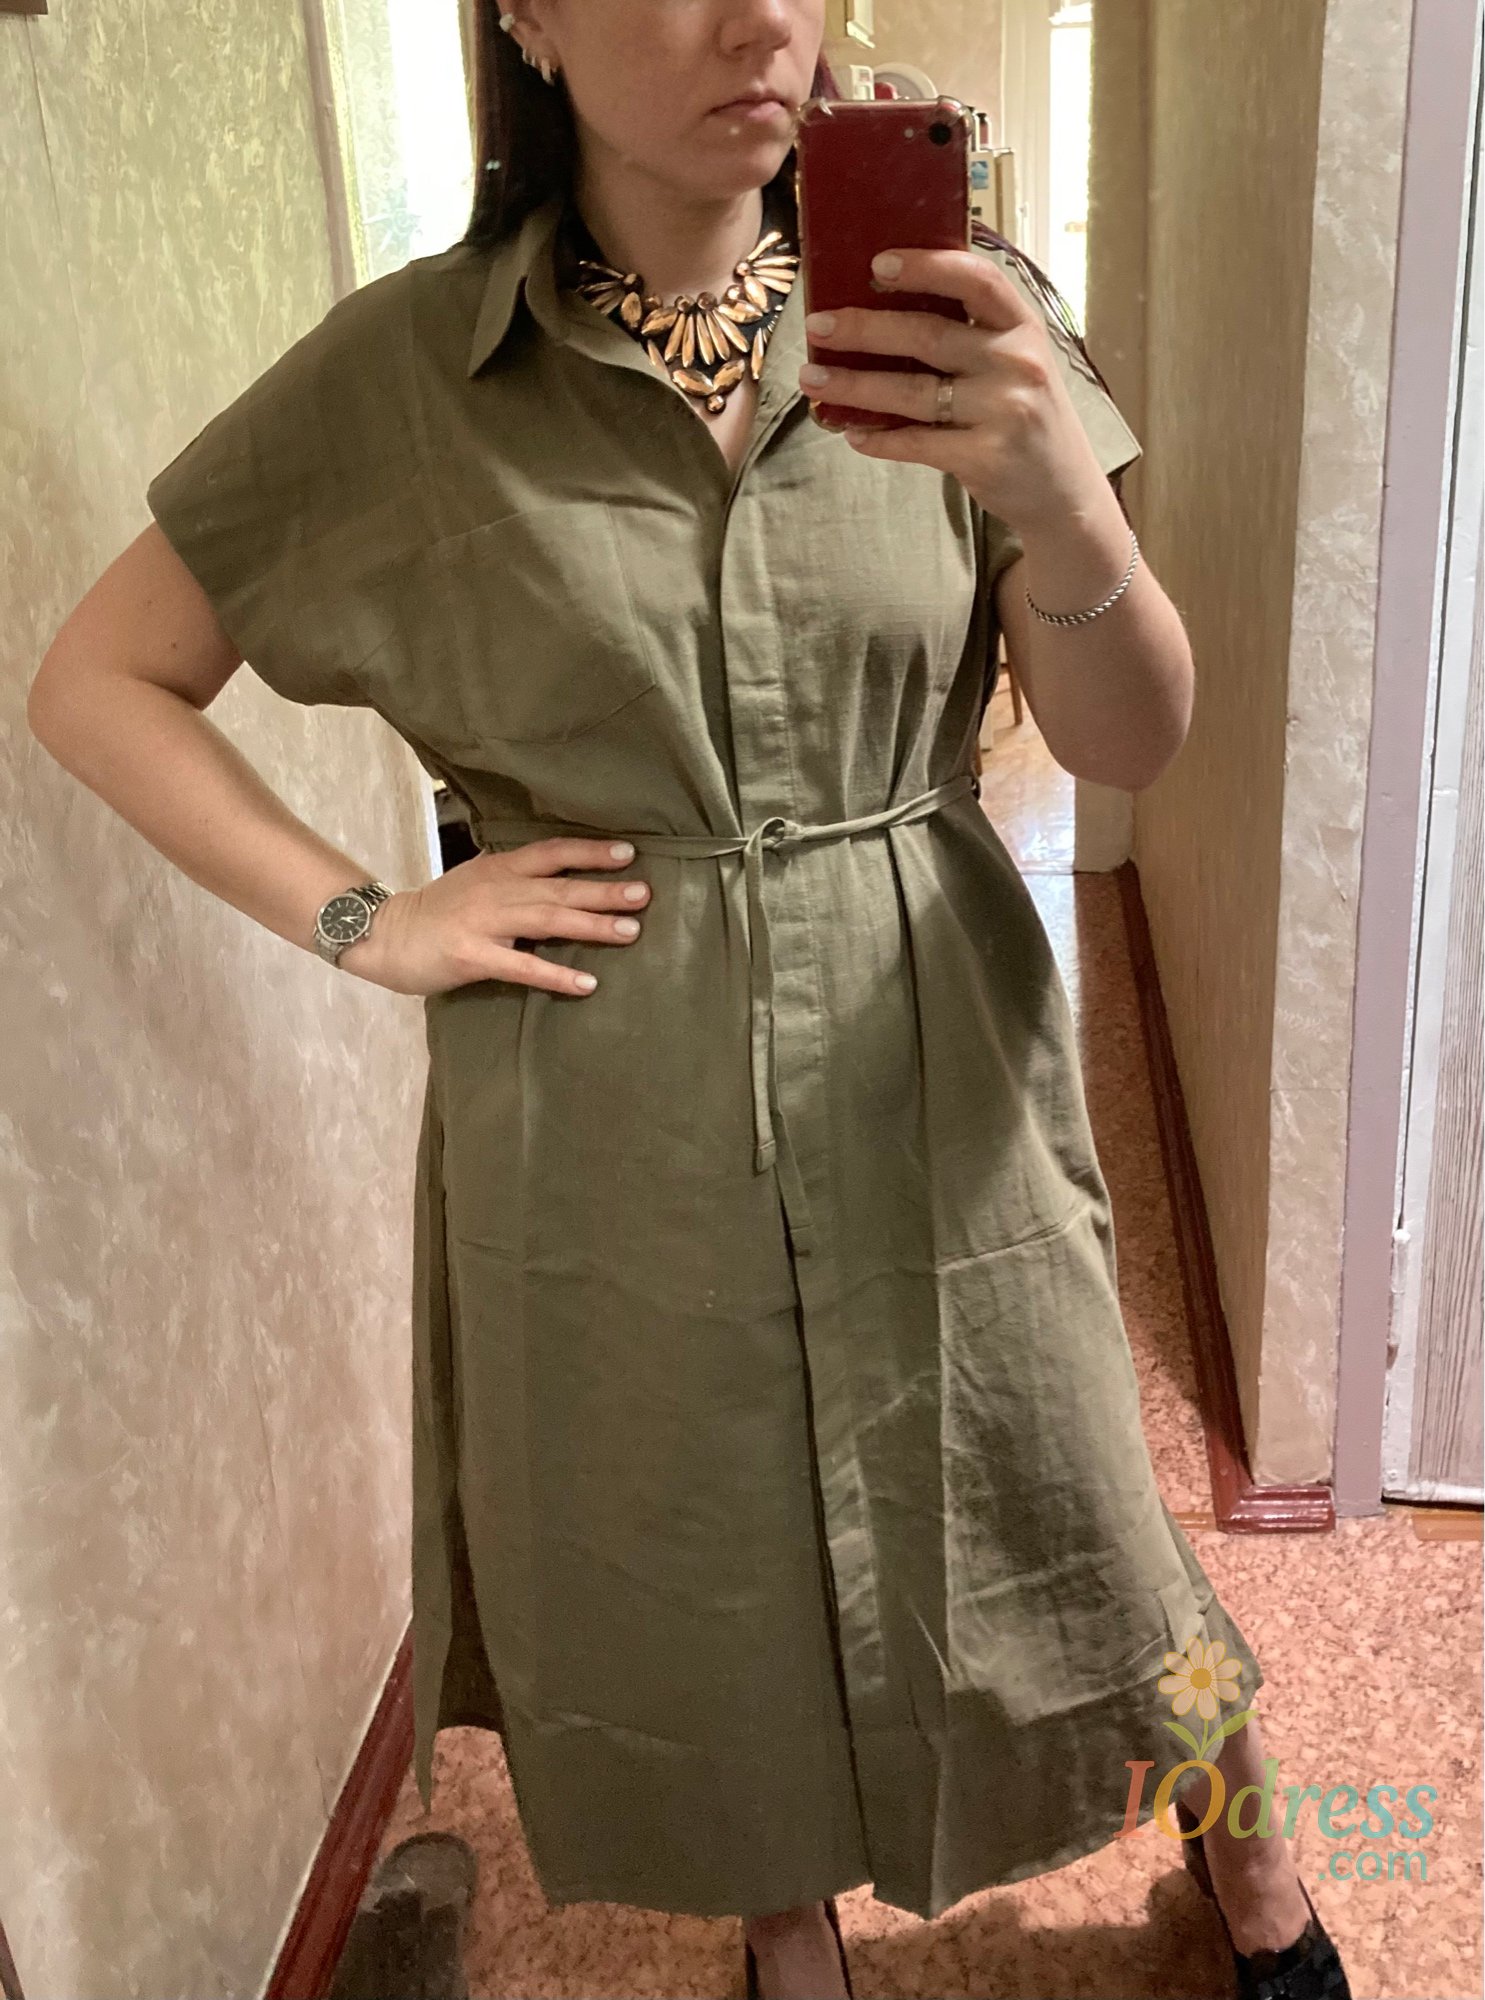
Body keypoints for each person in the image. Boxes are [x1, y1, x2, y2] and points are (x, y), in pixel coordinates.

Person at [28, 4, 1353, 1997]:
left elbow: (1130, 737)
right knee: (705, 1546)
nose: (757, 16)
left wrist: (1059, 502)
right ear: (530, 19)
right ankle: (779, 1922)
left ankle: (1246, 1858)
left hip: (929, 1034)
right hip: (604, 1076)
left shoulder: (952, 309)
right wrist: (367, 918)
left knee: (1066, 1481)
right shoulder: (408, 377)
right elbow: (99, 680)